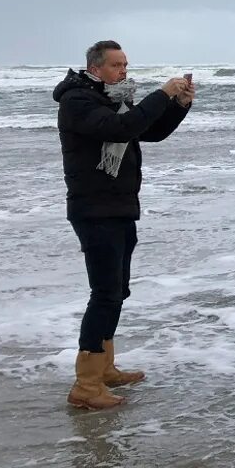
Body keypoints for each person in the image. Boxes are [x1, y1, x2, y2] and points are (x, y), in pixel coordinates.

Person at [55, 40, 193, 410]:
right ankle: (85, 384)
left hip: (119, 207)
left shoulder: (113, 98)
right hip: (94, 209)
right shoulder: (78, 101)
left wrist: (179, 106)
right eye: (117, 65)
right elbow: (121, 128)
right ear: (95, 68)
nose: (123, 71)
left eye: (126, 64)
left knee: (117, 291)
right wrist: (162, 93)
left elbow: (147, 130)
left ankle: (105, 367)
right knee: (104, 293)